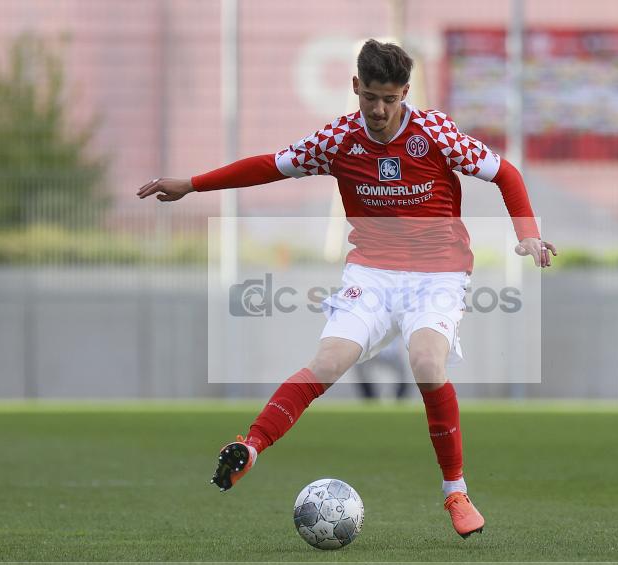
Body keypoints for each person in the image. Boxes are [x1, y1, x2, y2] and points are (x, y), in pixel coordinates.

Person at [137, 39, 556, 539]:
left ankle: (455, 492)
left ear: (405, 93)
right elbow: (269, 166)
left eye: (390, 99)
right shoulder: (338, 139)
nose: (379, 110)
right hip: (372, 272)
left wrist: (527, 235)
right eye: (370, 97)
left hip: (437, 271)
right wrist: (192, 183)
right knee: (328, 362)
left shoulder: (436, 133)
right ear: (355, 87)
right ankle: (250, 447)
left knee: (426, 362)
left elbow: (505, 172)